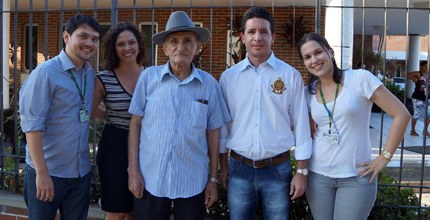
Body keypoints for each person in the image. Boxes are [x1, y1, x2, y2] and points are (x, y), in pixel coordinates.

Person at [127, 11, 230, 219]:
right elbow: (135, 124)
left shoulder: (209, 84)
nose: (180, 47)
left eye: (187, 41)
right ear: (164, 48)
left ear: (197, 47)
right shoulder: (148, 78)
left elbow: (213, 132)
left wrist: (212, 178)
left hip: (193, 179)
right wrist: (133, 170)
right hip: (151, 177)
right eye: (173, 41)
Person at [297, 33, 410, 220]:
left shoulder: (359, 79)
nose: (314, 60)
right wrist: (301, 170)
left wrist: (385, 157)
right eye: (307, 57)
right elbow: (309, 133)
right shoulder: (307, 92)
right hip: (318, 177)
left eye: (318, 52)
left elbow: (401, 114)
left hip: (356, 177)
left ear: (330, 52)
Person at [219, 7, 312, 220]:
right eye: (251, 32)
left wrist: (301, 171)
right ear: (242, 37)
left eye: (264, 31)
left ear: (273, 37)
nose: (257, 37)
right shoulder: (228, 78)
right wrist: (223, 168)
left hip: (277, 170)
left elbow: (302, 126)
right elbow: (223, 128)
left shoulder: (290, 76)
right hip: (238, 169)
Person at [19, 14, 100, 220]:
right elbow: (32, 126)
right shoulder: (45, 73)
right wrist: (42, 173)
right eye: (83, 36)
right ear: (66, 37)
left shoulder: (88, 73)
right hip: (49, 173)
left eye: (94, 39)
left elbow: (83, 109)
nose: (89, 43)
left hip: (80, 174)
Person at [91, 22, 145, 220]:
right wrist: (111, 115)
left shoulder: (150, 75)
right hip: (115, 146)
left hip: (145, 145)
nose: (127, 48)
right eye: (121, 44)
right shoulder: (104, 78)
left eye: (131, 42)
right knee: (117, 208)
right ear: (113, 48)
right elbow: (89, 110)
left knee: (134, 207)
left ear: (139, 45)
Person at [407, 60, 429, 136]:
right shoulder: (418, 73)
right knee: (416, 114)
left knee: (429, 114)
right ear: (421, 67)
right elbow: (407, 74)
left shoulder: (428, 75)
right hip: (418, 97)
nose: (427, 68)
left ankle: (425, 131)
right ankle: (412, 130)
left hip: (428, 98)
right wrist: (414, 79)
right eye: (425, 66)